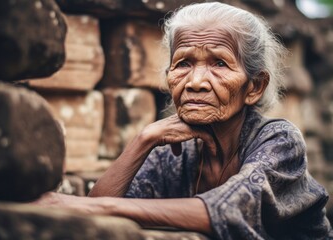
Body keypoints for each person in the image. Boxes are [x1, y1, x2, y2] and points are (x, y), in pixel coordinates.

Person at [35, 2, 332, 239]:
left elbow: (227, 210)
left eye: (219, 63)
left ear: (253, 87)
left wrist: (81, 205)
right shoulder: (173, 153)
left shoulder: (279, 140)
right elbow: (98, 211)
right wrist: (144, 139)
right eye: (183, 63)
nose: (196, 82)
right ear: (169, 78)